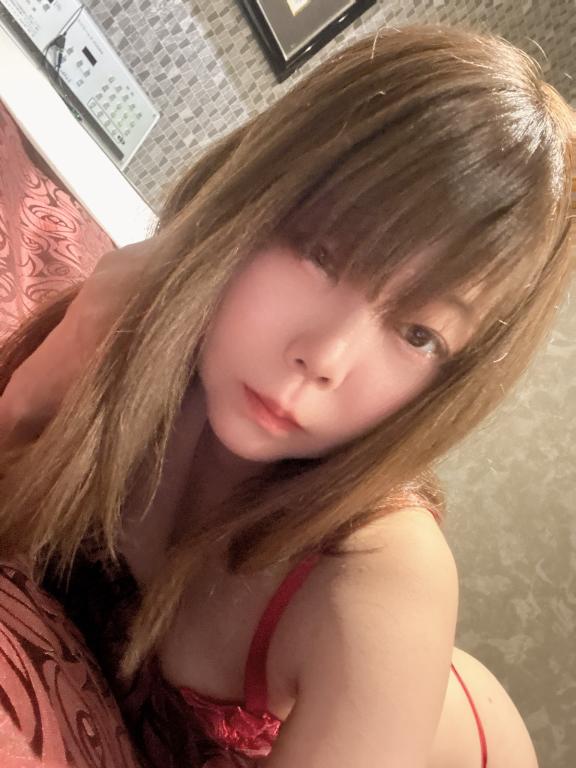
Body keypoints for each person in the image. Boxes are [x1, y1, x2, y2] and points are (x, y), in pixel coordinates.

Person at [0, 23, 573, 768]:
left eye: (420, 334)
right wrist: (82, 334)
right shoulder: (134, 321)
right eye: (322, 253)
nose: (325, 358)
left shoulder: (379, 584)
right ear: (258, 195)